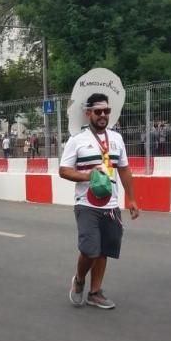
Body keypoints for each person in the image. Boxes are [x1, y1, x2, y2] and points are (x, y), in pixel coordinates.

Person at [60, 92, 139, 309]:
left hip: (111, 204)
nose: (103, 115)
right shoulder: (77, 140)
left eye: (106, 111)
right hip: (86, 203)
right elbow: (63, 170)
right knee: (90, 249)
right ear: (88, 114)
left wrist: (131, 199)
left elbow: (124, 169)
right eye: (98, 111)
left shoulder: (116, 138)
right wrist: (88, 175)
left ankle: (95, 293)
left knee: (104, 250)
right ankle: (79, 279)